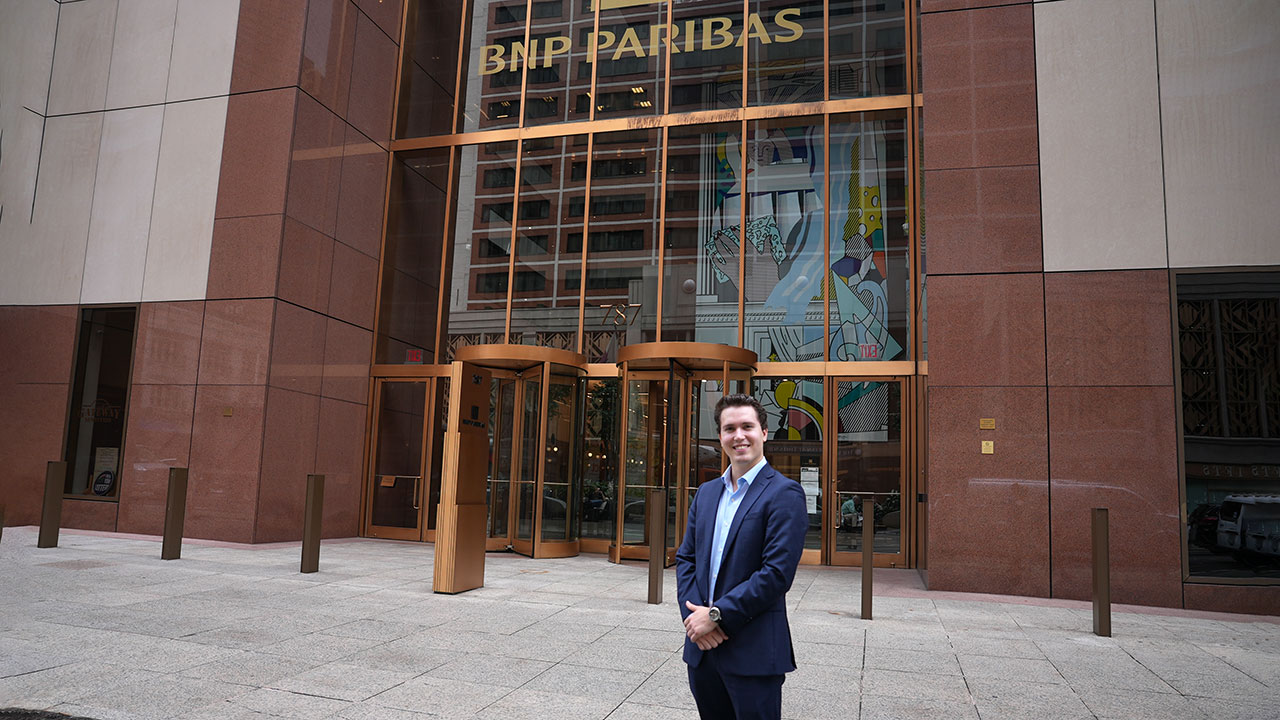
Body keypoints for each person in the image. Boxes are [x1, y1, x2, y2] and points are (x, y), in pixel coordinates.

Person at [676, 393, 808, 720]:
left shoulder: (784, 493)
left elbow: (776, 574)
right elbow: (686, 560)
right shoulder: (707, 493)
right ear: (720, 436)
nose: (738, 436)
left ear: (763, 432)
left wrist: (717, 616)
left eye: (747, 426)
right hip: (703, 652)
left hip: (753, 654)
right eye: (729, 428)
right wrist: (695, 621)